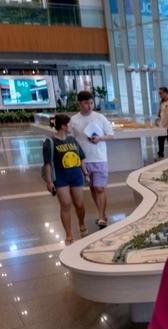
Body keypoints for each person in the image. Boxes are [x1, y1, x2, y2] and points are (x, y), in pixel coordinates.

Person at [42, 113, 90, 245]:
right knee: (65, 205)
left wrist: (85, 173)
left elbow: (80, 158)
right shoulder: (50, 142)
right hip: (61, 177)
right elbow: (47, 164)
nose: (71, 126)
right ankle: (69, 234)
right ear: (63, 126)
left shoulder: (73, 140)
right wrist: (49, 181)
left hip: (76, 175)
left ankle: (81, 224)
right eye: (69, 124)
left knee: (79, 204)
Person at [71, 90, 115, 228]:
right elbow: (72, 140)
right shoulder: (74, 120)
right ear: (79, 104)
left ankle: (101, 217)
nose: (89, 106)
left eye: (91, 103)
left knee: (99, 187)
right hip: (84, 160)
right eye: (86, 103)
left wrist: (100, 138)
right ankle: (101, 213)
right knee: (92, 188)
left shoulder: (100, 117)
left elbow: (111, 135)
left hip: (100, 158)